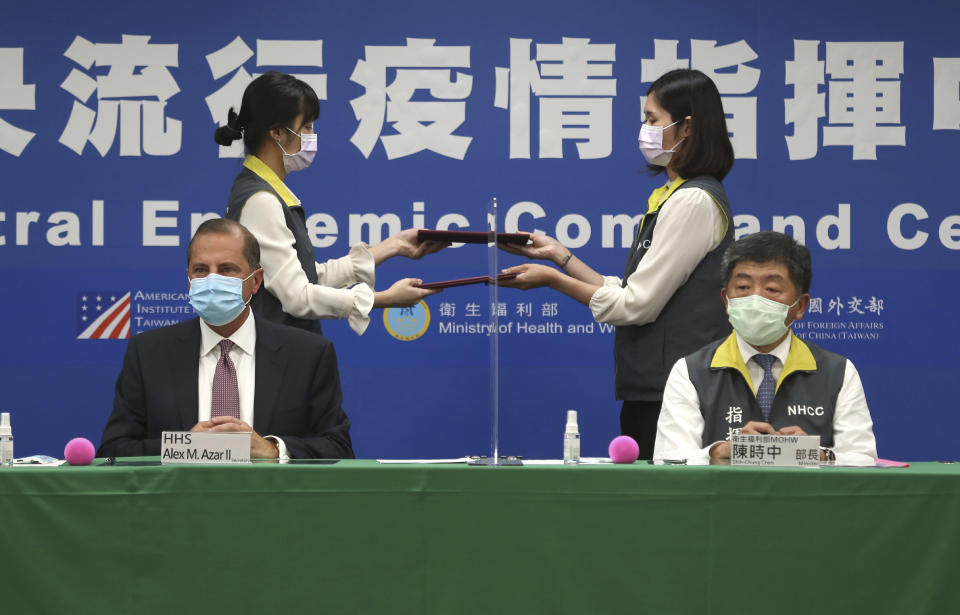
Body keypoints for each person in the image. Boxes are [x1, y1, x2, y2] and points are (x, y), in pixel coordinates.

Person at [499, 69, 735, 458]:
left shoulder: (694, 201)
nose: (644, 130)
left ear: (687, 127)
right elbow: (631, 292)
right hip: (654, 387)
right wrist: (560, 256)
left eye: (652, 120)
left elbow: (636, 306)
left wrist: (553, 279)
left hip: (675, 395)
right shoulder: (672, 196)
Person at [98, 219, 353, 459]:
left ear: (255, 281)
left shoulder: (307, 354)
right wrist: (183, 447)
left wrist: (273, 450)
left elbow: (338, 447)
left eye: (226, 269)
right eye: (201, 270)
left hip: (272, 502)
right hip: (180, 503)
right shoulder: (149, 352)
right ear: (188, 281)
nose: (212, 280)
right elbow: (114, 450)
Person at [214, 71, 446, 336]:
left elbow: (308, 277)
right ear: (277, 132)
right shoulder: (261, 201)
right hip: (277, 357)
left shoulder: (262, 192)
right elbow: (298, 297)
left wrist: (394, 245)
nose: (312, 136)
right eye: (307, 127)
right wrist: (382, 299)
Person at [654, 231, 878, 466]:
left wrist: (817, 454)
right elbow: (668, 461)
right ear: (726, 301)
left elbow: (863, 460)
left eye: (771, 289)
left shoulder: (837, 372)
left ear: (800, 306)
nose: (755, 299)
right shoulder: (690, 372)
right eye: (742, 286)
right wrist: (720, 451)